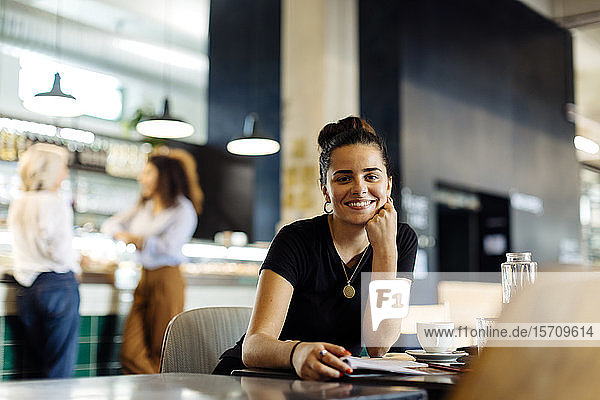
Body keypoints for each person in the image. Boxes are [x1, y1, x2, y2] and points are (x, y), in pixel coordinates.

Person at [213, 116, 418, 380]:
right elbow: (253, 347)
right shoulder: (296, 239)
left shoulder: (401, 240)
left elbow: (379, 344)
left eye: (371, 176)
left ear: (387, 185)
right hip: (261, 379)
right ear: (326, 191)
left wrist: (386, 249)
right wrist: (297, 352)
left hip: (329, 383)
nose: (359, 188)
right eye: (344, 178)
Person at [102, 149, 203, 374]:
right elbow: (109, 225)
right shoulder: (143, 206)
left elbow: (169, 246)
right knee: (130, 353)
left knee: (161, 350)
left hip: (167, 279)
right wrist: (131, 238)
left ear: (163, 176)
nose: (141, 178)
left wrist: (135, 239)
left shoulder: (183, 209)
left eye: (147, 172)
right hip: (144, 277)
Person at [8, 143, 80, 378]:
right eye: (63, 168)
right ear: (48, 170)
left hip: (27, 289)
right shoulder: (55, 202)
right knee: (59, 370)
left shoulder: (19, 202)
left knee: (36, 367)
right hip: (58, 285)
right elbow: (58, 251)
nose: (65, 173)